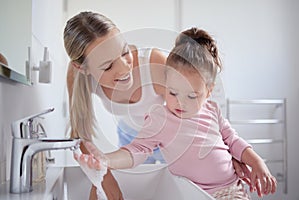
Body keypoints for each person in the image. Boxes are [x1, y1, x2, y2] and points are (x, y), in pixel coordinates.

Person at [64, 11, 254, 199]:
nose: (124, 67)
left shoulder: (153, 64)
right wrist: (102, 176)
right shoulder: (78, 77)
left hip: (172, 136)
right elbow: (81, 133)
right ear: (82, 68)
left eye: (125, 52)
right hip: (129, 139)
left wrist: (227, 156)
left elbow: (196, 107)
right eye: (107, 66)